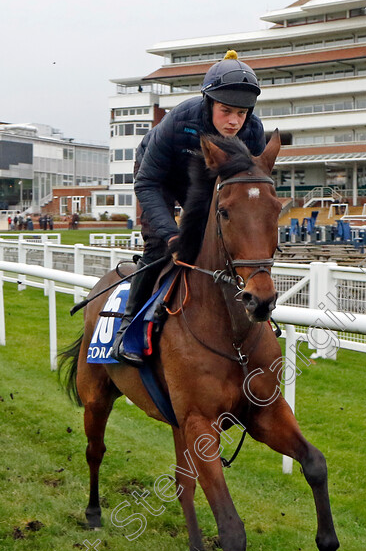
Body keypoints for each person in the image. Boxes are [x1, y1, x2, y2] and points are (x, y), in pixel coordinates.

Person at [110, 50, 265, 365]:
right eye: (226, 111)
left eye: (242, 112)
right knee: (160, 246)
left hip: (207, 181)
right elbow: (147, 183)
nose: (235, 121)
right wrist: (169, 234)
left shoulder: (253, 133)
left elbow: (251, 191)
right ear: (208, 103)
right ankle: (129, 329)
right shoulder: (179, 120)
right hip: (161, 178)